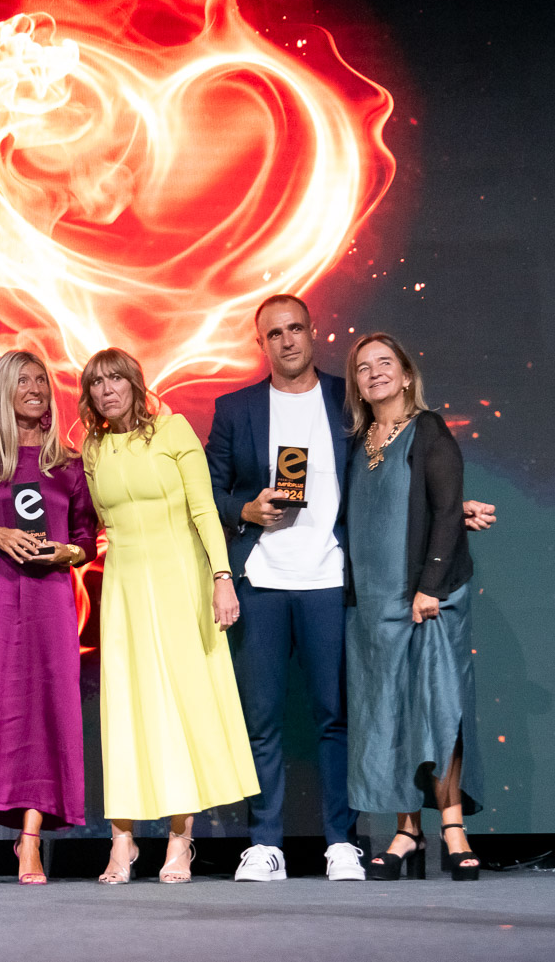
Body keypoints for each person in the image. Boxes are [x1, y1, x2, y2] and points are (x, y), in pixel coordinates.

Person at [207, 294, 495, 882]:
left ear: (313, 331)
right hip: (261, 580)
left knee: (340, 718)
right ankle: (264, 844)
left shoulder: (348, 401)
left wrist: (449, 508)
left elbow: (400, 473)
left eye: (295, 328)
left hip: (333, 582)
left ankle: (342, 840)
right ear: (260, 343)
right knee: (262, 719)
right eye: (274, 333)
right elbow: (210, 492)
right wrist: (245, 510)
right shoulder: (236, 409)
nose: (287, 340)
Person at [81, 348, 259, 884]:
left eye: (116, 379)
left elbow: (203, 509)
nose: (107, 390)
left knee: (182, 704)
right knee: (125, 708)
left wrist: (222, 577)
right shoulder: (93, 447)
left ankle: (181, 839)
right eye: (96, 383)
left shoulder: (173, 430)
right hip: (125, 587)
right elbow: (102, 520)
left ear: (135, 384)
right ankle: (122, 840)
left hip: (182, 579)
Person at [0, 351, 97, 886]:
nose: (34, 388)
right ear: (3, 391)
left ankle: (29, 841)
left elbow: (86, 536)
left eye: (40, 380)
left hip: (50, 600)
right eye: (23, 380)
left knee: (46, 711)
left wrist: (66, 552)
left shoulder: (68, 462)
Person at [343, 333, 483, 881]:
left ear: (405, 376)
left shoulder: (428, 429)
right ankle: (407, 832)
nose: (374, 372)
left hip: (426, 600)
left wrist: (429, 586)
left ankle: (453, 828)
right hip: (372, 609)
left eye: (385, 363)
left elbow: (446, 510)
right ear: (357, 384)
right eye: (363, 367)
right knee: (388, 716)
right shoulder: (358, 443)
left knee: (438, 709)